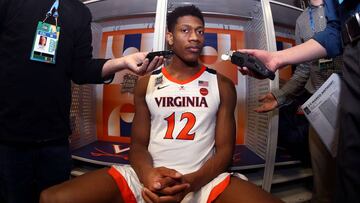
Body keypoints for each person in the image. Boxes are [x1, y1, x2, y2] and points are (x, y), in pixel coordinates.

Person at [39, 5, 283, 203]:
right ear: (169, 36)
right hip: (146, 176)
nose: (194, 38)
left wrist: (189, 184)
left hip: (203, 180)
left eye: (200, 31)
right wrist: (150, 177)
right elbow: (138, 146)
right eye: (185, 30)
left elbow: (224, 153)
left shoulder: (222, 84)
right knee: (52, 197)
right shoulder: (146, 83)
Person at [0, 0, 163, 203]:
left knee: (55, 197)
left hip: (55, 138)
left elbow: (82, 69)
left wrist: (122, 62)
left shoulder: (78, 12)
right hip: (8, 137)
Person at [238, 0, 359, 202]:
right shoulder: (302, 20)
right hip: (320, 104)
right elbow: (304, 68)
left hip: (348, 92)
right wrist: (280, 96)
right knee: (325, 179)